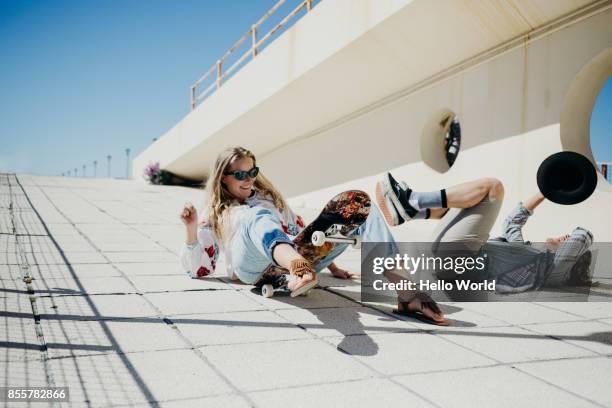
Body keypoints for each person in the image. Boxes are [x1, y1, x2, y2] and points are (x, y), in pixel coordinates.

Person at [179, 147, 447, 324]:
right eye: (240, 174)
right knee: (255, 217)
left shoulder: (269, 199)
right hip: (253, 269)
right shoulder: (215, 213)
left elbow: (302, 234)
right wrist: (191, 230)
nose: (248, 179)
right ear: (223, 178)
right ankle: (298, 268)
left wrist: (332, 264)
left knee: (364, 208)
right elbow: (199, 269)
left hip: (294, 258)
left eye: (252, 172)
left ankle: (407, 294)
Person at [376, 173, 594, 293]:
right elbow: (513, 221)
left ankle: (412, 203)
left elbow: (581, 236)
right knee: (467, 200)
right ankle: (410, 210)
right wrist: (549, 189)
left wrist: (572, 246)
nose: (564, 237)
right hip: (448, 255)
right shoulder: (526, 250)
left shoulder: (552, 271)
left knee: (493, 187)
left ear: (571, 259)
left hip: (460, 265)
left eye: (565, 240)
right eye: (565, 235)